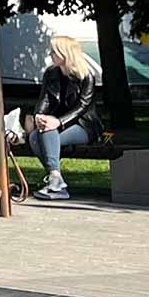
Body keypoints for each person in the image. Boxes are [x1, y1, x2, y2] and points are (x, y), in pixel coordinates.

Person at [28, 35, 102, 200]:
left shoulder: (86, 76)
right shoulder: (51, 73)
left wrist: (58, 122)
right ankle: (57, 181)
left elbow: (82, 107)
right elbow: (44, 99)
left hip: (83, 125)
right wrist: (38, 116)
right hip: (55, 123)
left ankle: (55, 183)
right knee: (34, 137)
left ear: (65, 53)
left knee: (47, 132)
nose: (50, 54)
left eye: (54, 51)